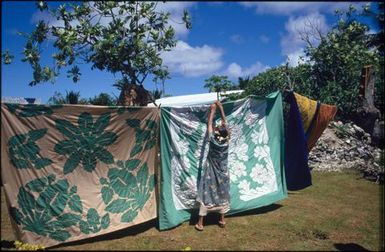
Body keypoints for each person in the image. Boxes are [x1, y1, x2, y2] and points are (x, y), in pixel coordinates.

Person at [195, 100, 230, 231]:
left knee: (207, 194)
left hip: (211, 173)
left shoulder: (213, 141)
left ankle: (200, 223)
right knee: (222, 194)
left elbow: (209, 123)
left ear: (216, 134)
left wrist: (213, 110)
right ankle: (221, 220)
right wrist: (221, 108)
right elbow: (225, 125)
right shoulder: (226, 142)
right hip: (223, 173)